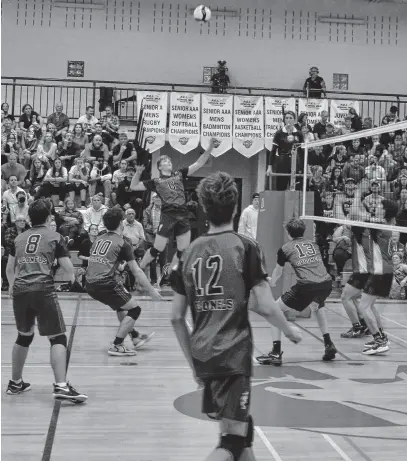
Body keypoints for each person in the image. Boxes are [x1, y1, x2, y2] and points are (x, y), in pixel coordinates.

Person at [170, 171, 302, 461]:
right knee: (231, 440)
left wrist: (194, 363)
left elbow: (176, 318)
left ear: (204, 208)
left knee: (242, 431)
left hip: (204, 354)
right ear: (236, 206)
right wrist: (289, 331)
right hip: (233, 354)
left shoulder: (188, 253)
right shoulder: (246, 247)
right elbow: (266, 305)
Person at [5, 199, 87, 402]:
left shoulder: (19, 238)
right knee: (58, 337)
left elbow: (9, 269)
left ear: (30, 218)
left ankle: (15, 383)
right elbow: (67, 265)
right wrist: (74, 279)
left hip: (21, 289)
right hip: (42, 288)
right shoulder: (55, 236)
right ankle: (61, 386)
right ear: (50, 217)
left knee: (23, 336)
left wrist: (12, 287)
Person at [257, 218, 337, 365]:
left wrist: (272, 281)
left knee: (274, 312)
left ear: (288, 233)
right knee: (317, 308)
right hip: (326, 283)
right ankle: (328, 343)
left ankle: (275, 353)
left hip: (307, 285)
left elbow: (278, 271)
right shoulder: (314, 244)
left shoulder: (285, 248)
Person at [130, 139, 214, 274]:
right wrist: (138, 173)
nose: (168, 162)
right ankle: (139, 271)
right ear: (159, 167)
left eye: (169, 161)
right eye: (165, 162)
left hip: (183, 213)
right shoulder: (156, 181)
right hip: (168, 214)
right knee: (158, 248)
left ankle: (170, 274)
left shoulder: (179, 174)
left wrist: (210, 147)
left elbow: (199, 163)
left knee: (183, 250)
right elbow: (133, 186)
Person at [85, 208, 162, 356]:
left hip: (90, 283)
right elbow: (137, 271)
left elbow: (100, 261)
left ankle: (135, 337)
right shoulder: (123, 243)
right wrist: (151, 290)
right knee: (134, 309)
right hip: (105, 283)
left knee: (121, 307)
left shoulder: (99, 238)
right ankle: (117, 345)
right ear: (121, 223)